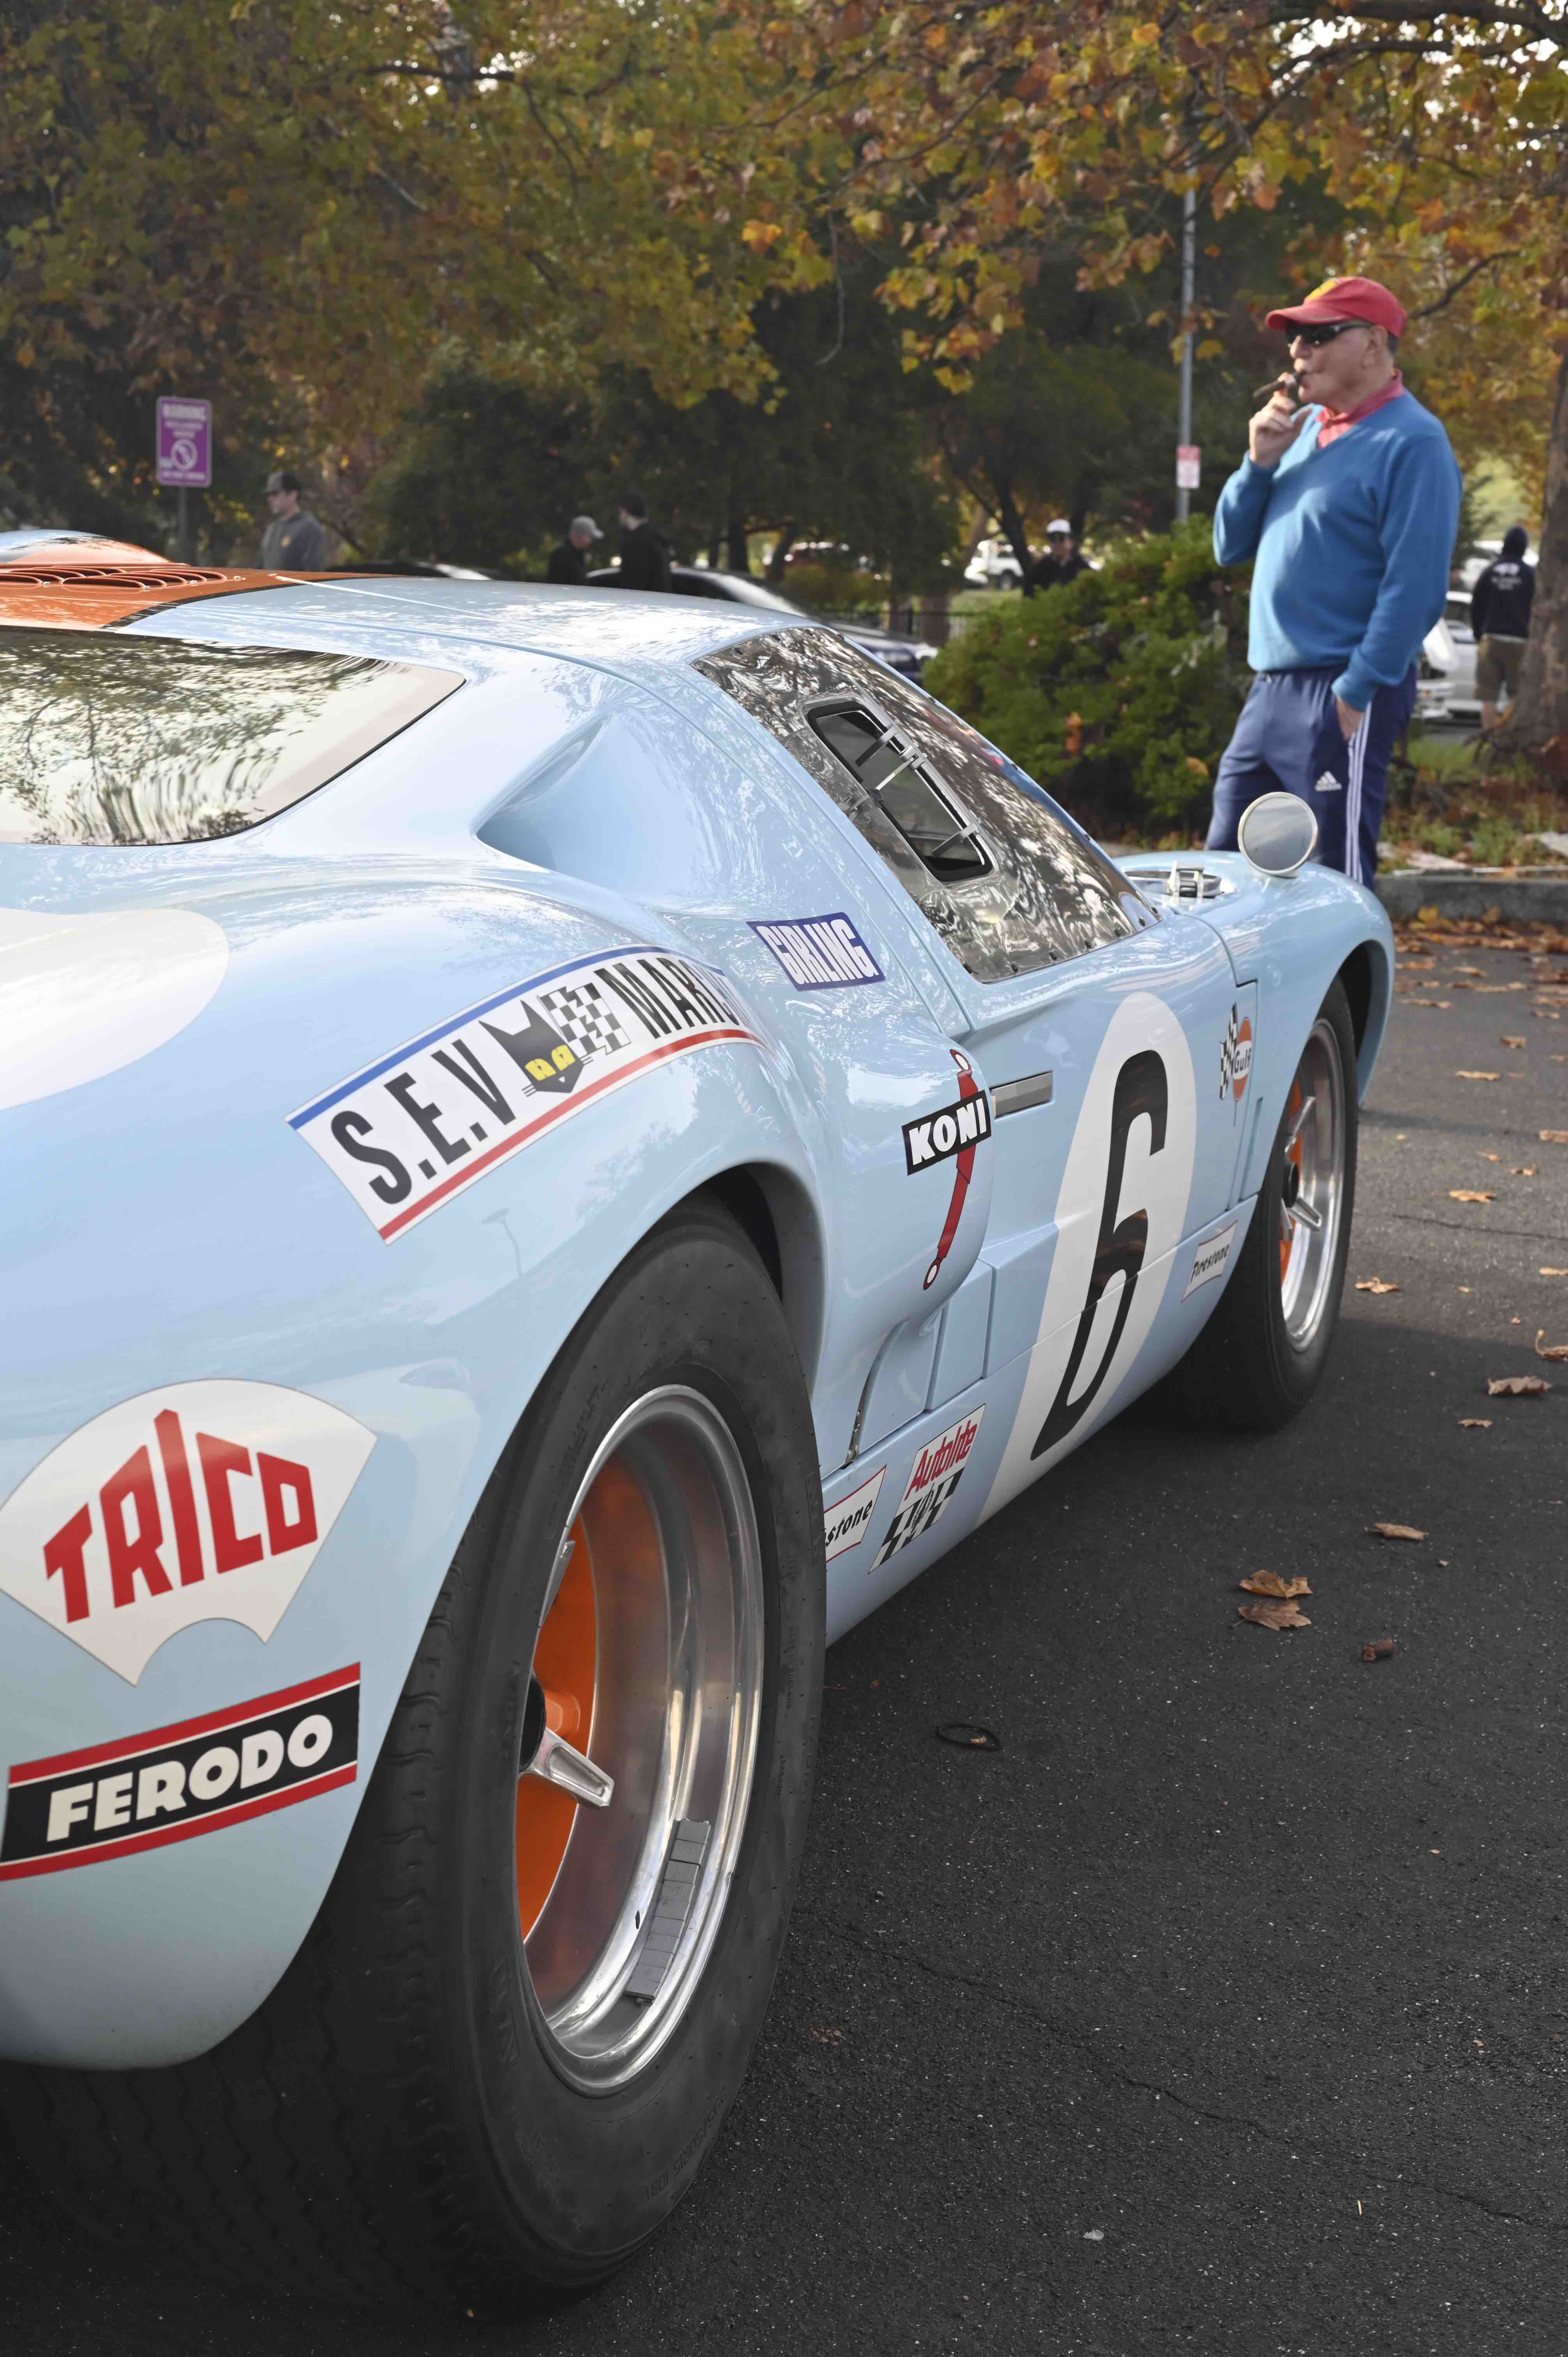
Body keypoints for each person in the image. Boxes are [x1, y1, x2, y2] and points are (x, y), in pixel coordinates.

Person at [1206, 275, 1461, 886]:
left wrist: (1356, 692)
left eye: (1319, 335)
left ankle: (1350, 988)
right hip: (1270, 688)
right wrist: (1258, 463)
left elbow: (1416, 588)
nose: (1299, 351)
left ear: (1373, 344)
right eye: (1295, 337)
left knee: (1332, 880)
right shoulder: (1300, 429)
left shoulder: (1415, 442)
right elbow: (1227, 546)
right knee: (1224, 870)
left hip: (1343, 687)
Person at [1470, 525, 1535, 729]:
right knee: (1517, 694)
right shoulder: (1529, 574)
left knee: (1488, 697)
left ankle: (1488, 739)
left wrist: (1479, 634)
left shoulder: (1489, 572)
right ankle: (1508, 741)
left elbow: (1476, 604)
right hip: (1520, 641)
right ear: (1524, 547)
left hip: (1491, 638)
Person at [260, 470, 330, 571]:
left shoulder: (309, 529)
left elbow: (315, 575)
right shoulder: (271, 529)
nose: (270, 499)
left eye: (275, 494)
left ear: (293, 495)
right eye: (269, 495)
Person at [616, 490, 670, 592]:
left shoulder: (635, 542)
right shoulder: (657, 537)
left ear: (626, 512)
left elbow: (633, 581)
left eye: (620, 512)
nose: (620, 516)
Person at [1026, 519, 1088, 596]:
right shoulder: (1039, 569)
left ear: (1071, 542)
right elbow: (1029, 596)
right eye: (1053, 539)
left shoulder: (1082, 568)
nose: (1057, 543)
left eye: (1062, 539)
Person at [546, 514, 603, 586]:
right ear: (579, 534)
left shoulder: (578, 554)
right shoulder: (562, 555)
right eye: (590, 537)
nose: (591, 541)